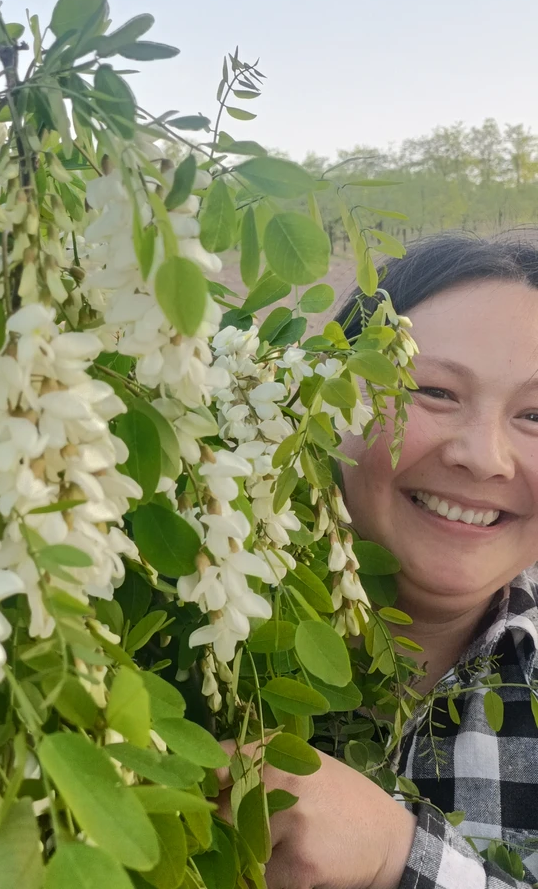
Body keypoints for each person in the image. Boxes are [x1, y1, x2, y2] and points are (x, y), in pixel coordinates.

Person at [221, 233, 538, 889]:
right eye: (435, 391)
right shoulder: (178, 611)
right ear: (323, 404)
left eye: (537, 415)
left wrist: (399, 859)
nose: (484, 458)